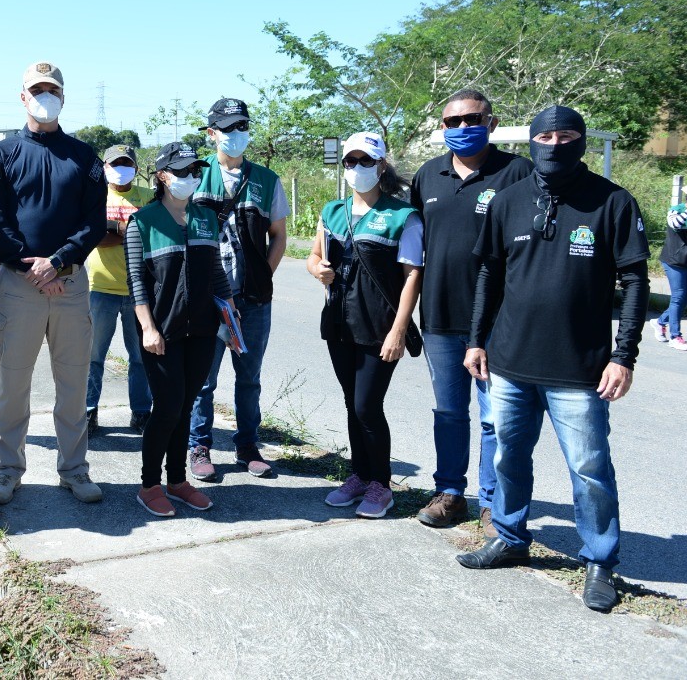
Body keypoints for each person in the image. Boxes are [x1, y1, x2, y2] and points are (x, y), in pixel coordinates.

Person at [458, 105, 650, 615]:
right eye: (545, 135)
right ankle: (509, 535)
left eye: (567, 135)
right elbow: (489, 276)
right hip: (510, 362)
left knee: (589, 468)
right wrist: (476, 341)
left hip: (580, 370)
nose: (555, 143)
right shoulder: (508, 200)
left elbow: (635, 281)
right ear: (531, 142)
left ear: (582, 141)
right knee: (508, 457)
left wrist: (623, 354)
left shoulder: (612, 202)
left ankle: (599, 561)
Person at [0, 60, 107, 505]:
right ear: (23, 96)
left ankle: (74, 469)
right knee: (13, 384)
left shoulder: (85, 157)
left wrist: (59, 261)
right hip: (19, 285)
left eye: (52, 89)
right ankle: (8, 470)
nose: (45, 96)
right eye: (37, 89)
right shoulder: (2, 155)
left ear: (64, 97)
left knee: (72, 385)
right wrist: (29, 264)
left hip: (69, 286)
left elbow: (93, 222)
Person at [410, 89, 532, 534]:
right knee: (448, 411)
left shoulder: (519, 173)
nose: (462, 128)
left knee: (494, 417)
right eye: (452, 122)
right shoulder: (427, 176)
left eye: (472, 119)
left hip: (499, 323)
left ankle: (493, 501)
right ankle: (450, 493)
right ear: (442, 128)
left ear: (492, 122)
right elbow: (408, 248)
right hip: (440, 318)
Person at [307, 132, 423, 519]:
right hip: (339, 323)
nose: (357, 169)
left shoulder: (403, 216)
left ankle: (381, 485)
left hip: (379, 328)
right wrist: (317, 269)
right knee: (351, 404)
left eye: (366, 161)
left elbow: (412, 276)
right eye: (350, 161)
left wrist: (398, 331)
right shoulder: (332, 211)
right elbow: (314, 256)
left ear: (382, 165)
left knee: (367, 406)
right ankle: (358, 474)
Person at [127, 143, 236, 517]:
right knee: (167, 407)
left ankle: (177, 481)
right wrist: (148, 328)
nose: (190, 177)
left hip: (203, 330)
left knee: (185, 407)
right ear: (162, 176)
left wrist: (229, 306)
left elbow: (216, 270)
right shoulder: (142, 221)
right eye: (182, 171)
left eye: (194, 171)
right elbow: (137, 284)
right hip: (163, 332)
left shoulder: (206, 217)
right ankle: (148, 484)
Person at [187, 98, 288, 481]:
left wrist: (265, 275)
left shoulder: (266, 179)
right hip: (204, 299)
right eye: (228, 128)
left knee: (249, 377)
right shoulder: (194, 174)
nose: (236, 134)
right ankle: (200, 445)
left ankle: (247, 445)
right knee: (203, 379)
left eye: (242, 126)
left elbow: (278, 236)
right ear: (212, 133)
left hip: (253, 300)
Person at [85, 143, 155, 433]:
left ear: (136, 169)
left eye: (126, 163)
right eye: (114, 164)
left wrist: (112, 229)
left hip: (138, 291)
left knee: (140, 357)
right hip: (99, 288)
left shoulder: (149, 197)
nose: (120, 169)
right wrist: (128, 229)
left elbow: (152, 235)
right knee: (92, 356)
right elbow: (94, 236)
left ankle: (140, 412)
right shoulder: (94, 196)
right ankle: (89, 412)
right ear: (104, 167)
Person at [653, 201, 687, 350]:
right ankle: (675, 336)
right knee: (678, 297)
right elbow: (676, 224)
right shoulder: (676, 211)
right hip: (674, 261)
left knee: (684, 299)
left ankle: (660, 322)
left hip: (686, 262)